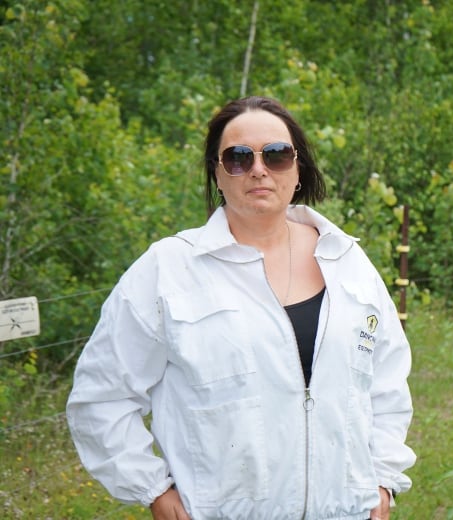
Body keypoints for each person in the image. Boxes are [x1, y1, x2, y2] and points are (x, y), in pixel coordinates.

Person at [66, 96, 416, 520]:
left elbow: (387, 383)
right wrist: (153, 488)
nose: (258, 169)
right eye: (237, 157)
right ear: (217, 173)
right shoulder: (168, 270)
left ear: (298, 167)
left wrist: (382, 479)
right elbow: (101, 396)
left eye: (276, 154)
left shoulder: (347, 262)